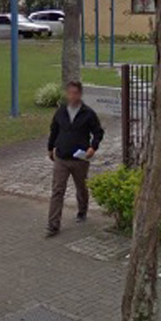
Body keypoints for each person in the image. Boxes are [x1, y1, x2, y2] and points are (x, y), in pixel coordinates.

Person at [45, 81, 104, 236]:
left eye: (75, 93)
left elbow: (98, 132)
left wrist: (93, 147)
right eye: (70, 93)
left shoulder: (88, 113)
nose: (72, 96)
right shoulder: (61, 112)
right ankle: (53, 224)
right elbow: (54, 130)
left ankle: (82, 210)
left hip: (79, 159)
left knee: (81, 188)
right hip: (62, 157)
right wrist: (50, 148)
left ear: (80, 94)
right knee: (57, 190)